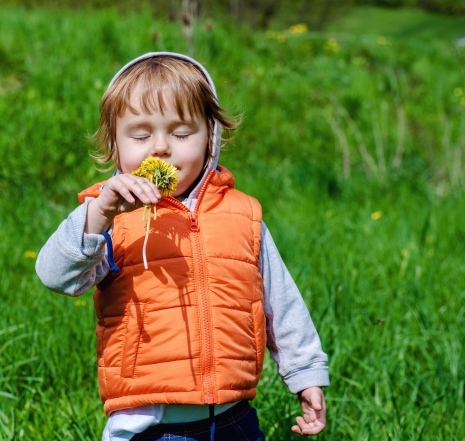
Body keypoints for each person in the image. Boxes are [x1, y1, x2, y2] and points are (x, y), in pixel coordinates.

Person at [36, 52, 329, 441]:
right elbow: (55, 275)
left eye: (181, 133)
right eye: (140, 135)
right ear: (115, 145)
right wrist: (100, 212)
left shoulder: (243, 215)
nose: (160, 148)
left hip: (235, 418)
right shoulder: (111, 220)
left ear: (211, 138)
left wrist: (305, 374)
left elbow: (280, 300)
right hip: (153, 425)